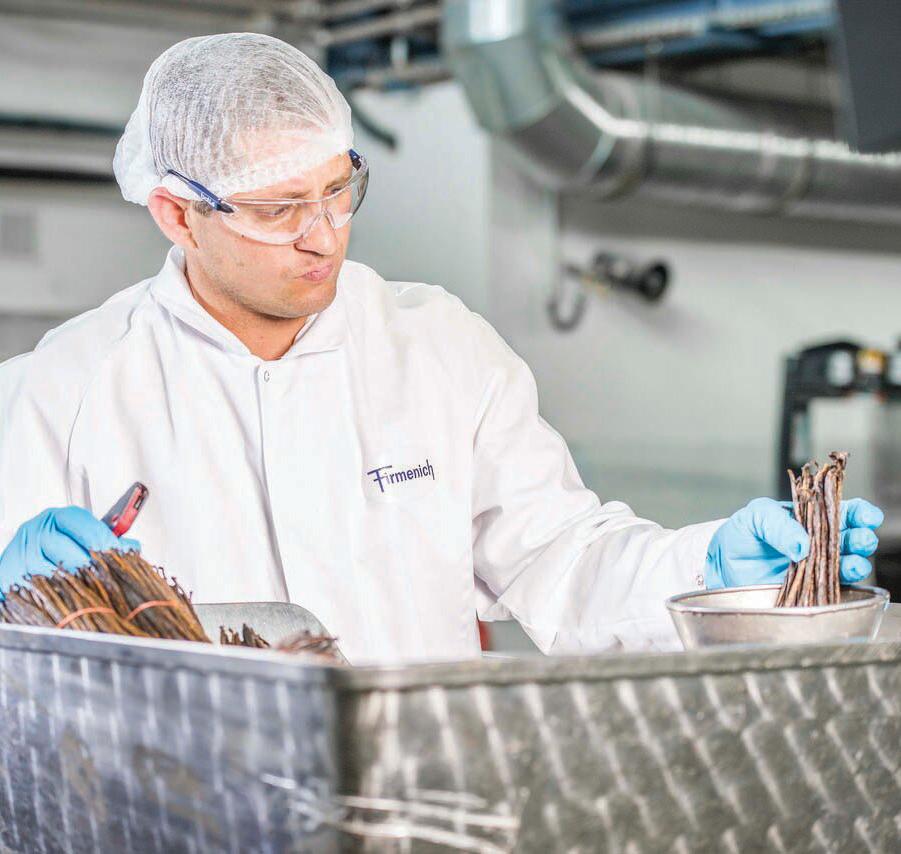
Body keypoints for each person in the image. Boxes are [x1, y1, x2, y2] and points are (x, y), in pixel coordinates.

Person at [0, 34, 883, 664]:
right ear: (175, 212)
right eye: (277, 210)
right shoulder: (62, 392)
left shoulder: (438, 347)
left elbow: (563, 564)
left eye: (338, 189)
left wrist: (710, 572)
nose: (323, 235)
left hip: (421, 804)